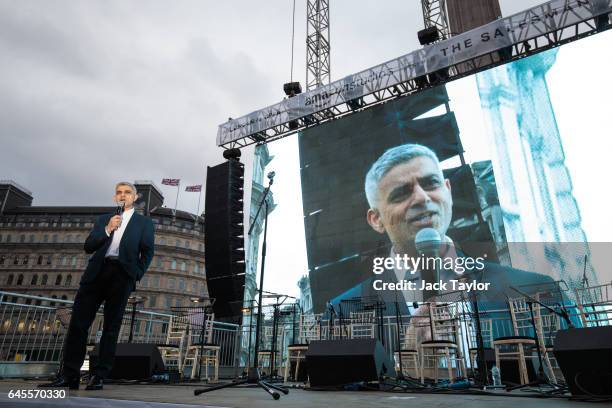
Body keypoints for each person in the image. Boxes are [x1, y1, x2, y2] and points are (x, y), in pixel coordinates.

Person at [330, 143, 554, 311]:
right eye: (401, 193)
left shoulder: (535, 290)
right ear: (376, 219)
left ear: (448, 190)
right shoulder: (342, 312)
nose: (421, 198)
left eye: (431, 184)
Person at [39, 182, 154, 390]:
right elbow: (88, 246)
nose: (122, 195)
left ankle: (99, 376)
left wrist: (135, 274)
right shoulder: (103, 219)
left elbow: (147, 252)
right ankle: (69, 376)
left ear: (135, 198)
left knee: (111, 327)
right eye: (119, 192)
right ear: (114, 198)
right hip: (96, 273)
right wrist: (108, 229)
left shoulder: (144, 223)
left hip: (122, 275)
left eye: (127, 192)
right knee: (78, 325)